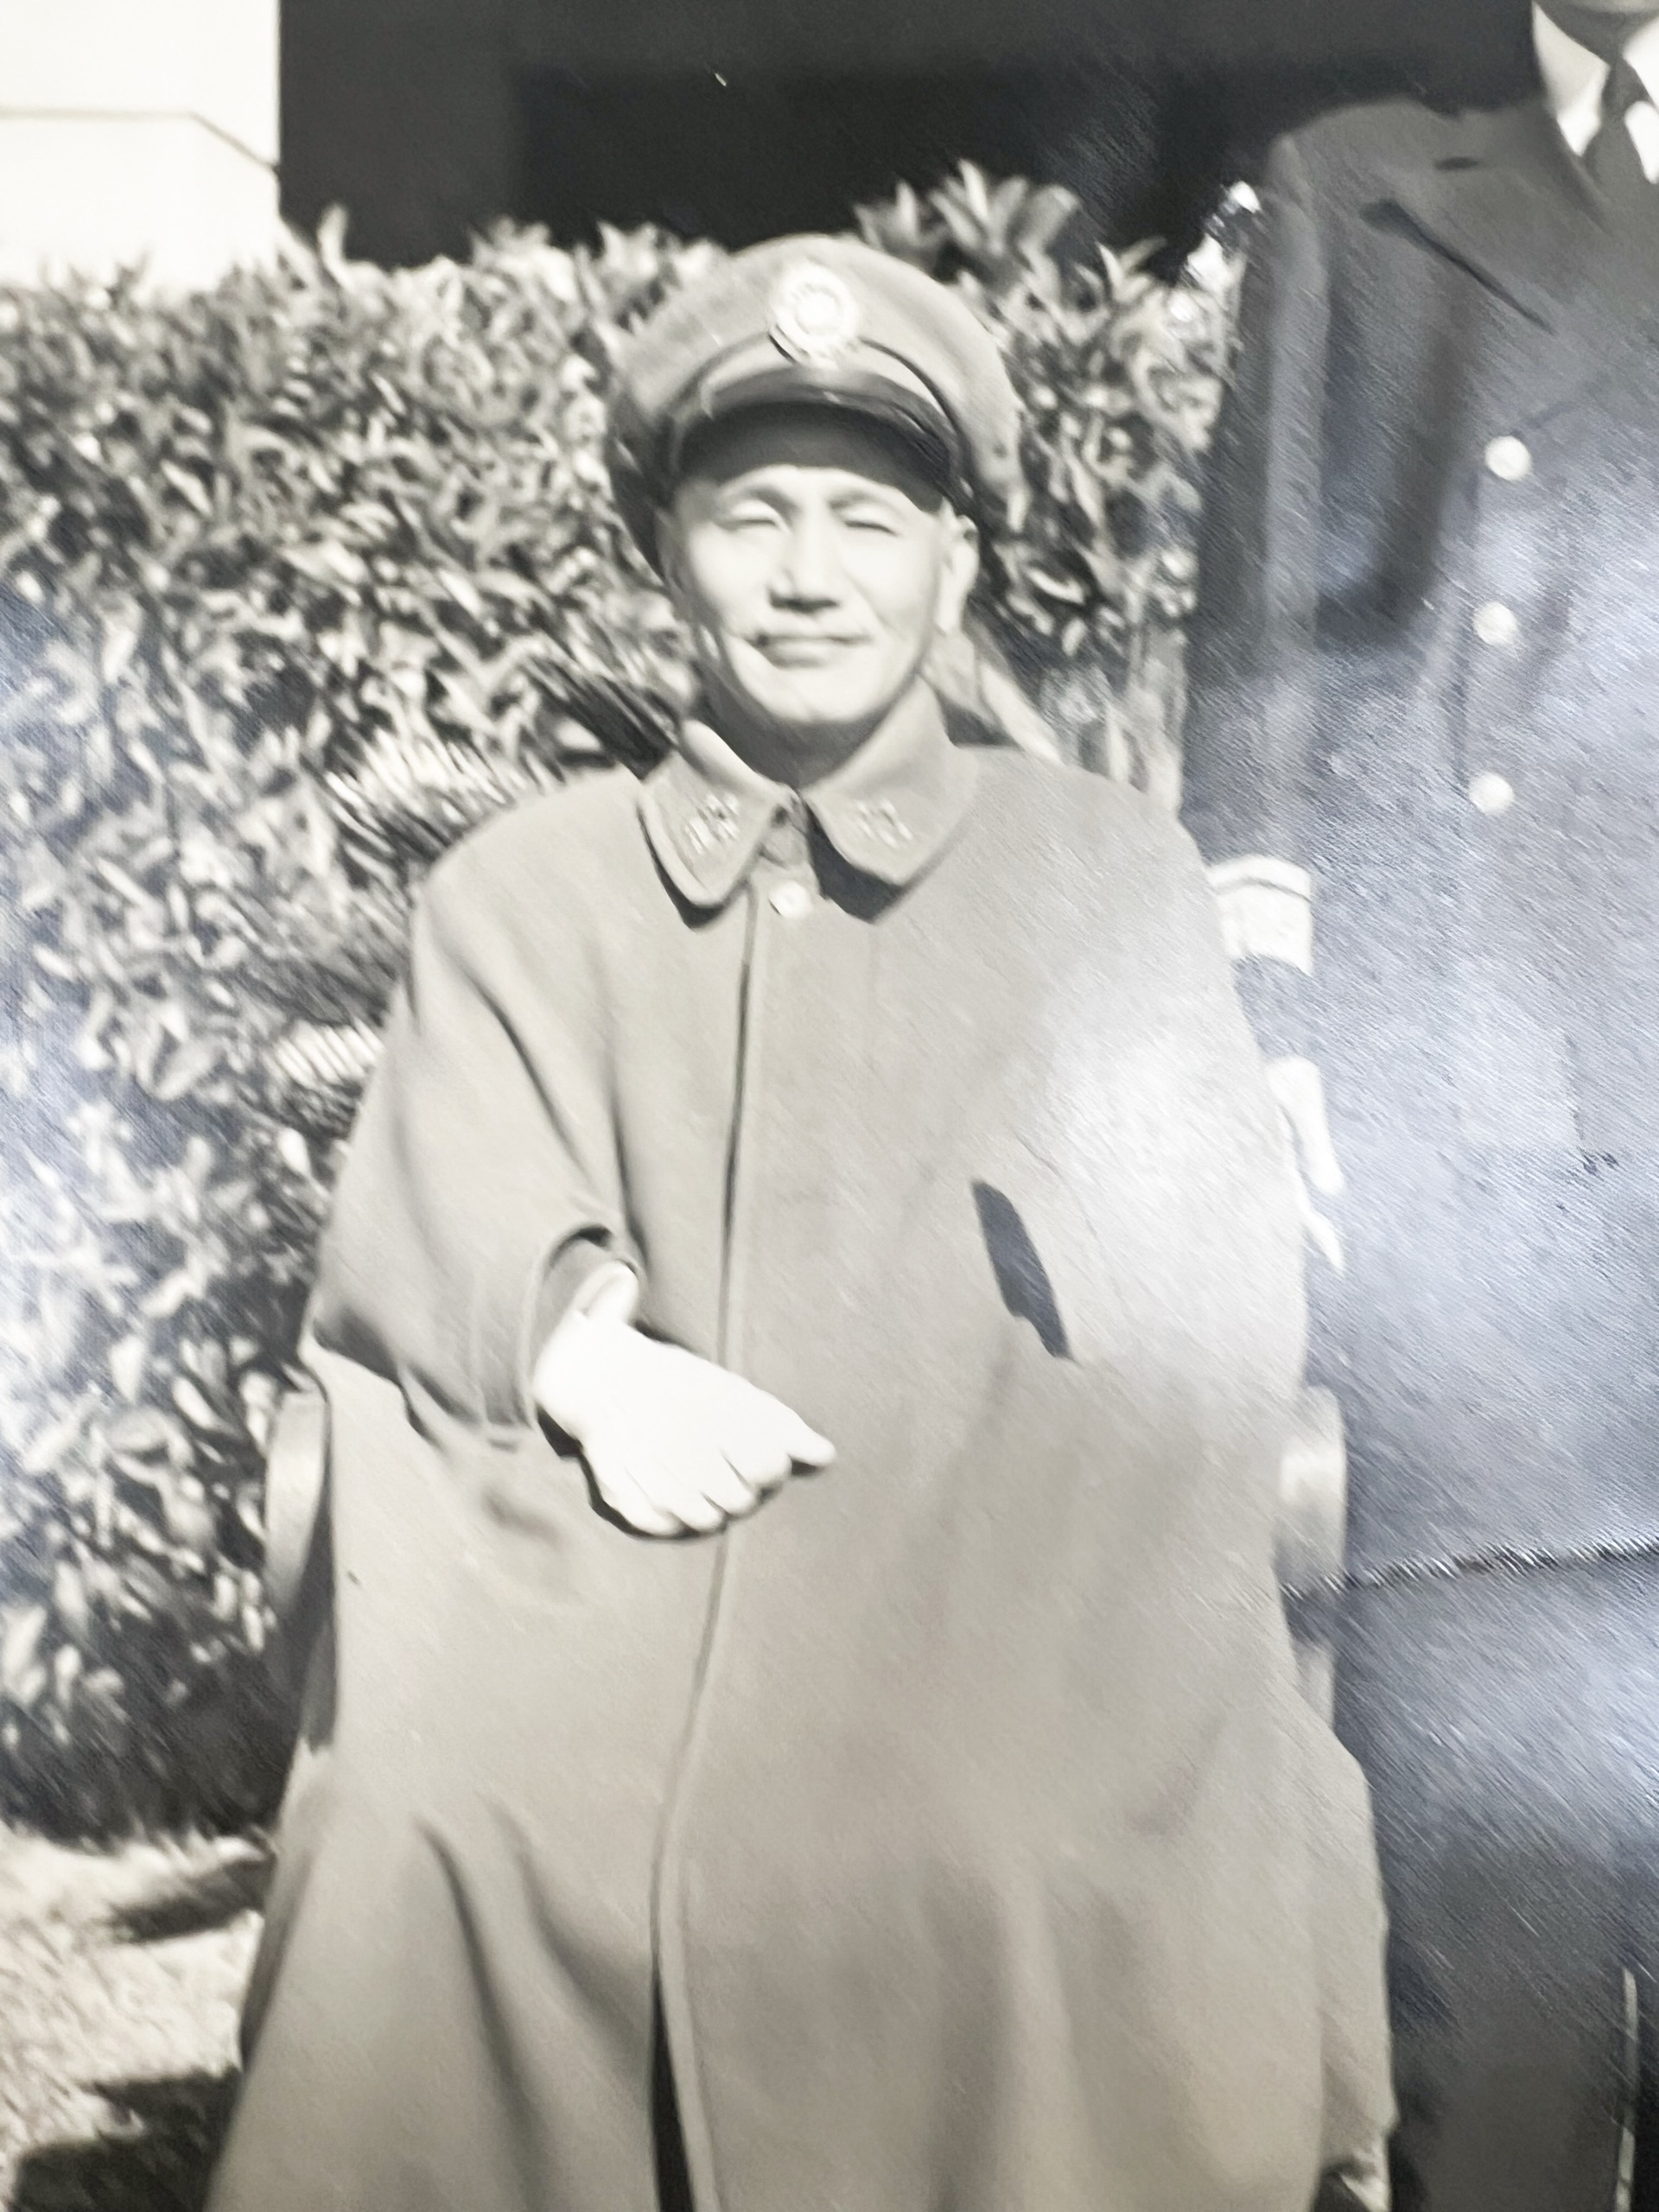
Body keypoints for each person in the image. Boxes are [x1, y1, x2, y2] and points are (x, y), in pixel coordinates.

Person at [209, 233, 1391, 2212]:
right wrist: (590, 1361)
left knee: (1018, 1848)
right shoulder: (527, 889)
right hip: (597, 1572)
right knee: (430, 1830)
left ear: (958, 561)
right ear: (667, 554)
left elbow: (1201, 1277)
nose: (810, 573)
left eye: (868, 518)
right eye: (751, 517)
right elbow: (451, 1185)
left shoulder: (1102, 873)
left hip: (1005, 1578)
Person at [1183, 7, 1659, 2208]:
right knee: (1497, 1898)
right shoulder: (1364, 186)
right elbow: (1264, 644)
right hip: (1476, 1137)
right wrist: (1275, 1032)